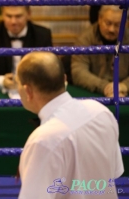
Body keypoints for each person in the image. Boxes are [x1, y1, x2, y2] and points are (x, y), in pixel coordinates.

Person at [16, 51, 123, 199]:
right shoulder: (101, 112)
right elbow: (114, 173)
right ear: (64, 79)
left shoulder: (43, 140)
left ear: (28, 90)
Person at [0, 0, 52, 96]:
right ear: (2, 14)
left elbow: (48, 69)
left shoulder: (42, 35)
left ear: (29, 14)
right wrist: (2, 80)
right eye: (8, 16)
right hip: (2, 93)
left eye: (18, 16)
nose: (13, 21)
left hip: (32, 92)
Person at [71, 5, 129, 97]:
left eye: (118, 25)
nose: (111, 29)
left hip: (123, 92)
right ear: (99, 19)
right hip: (93, 94)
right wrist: (105, 87)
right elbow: (78, 72)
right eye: (108, 23)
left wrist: (125, 85)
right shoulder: (85, 38)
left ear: (125, 23)